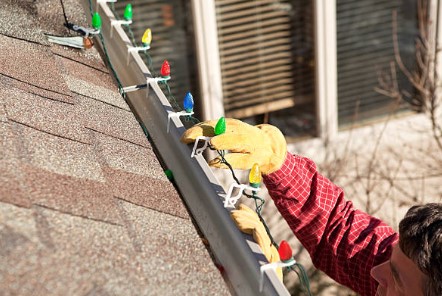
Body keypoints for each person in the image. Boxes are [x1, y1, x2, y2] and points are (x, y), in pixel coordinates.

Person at [181, 118, 442, 296]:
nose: (376, 272)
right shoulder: (406, 268)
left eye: (395, 279)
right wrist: (277, 161)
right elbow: (336, 230)